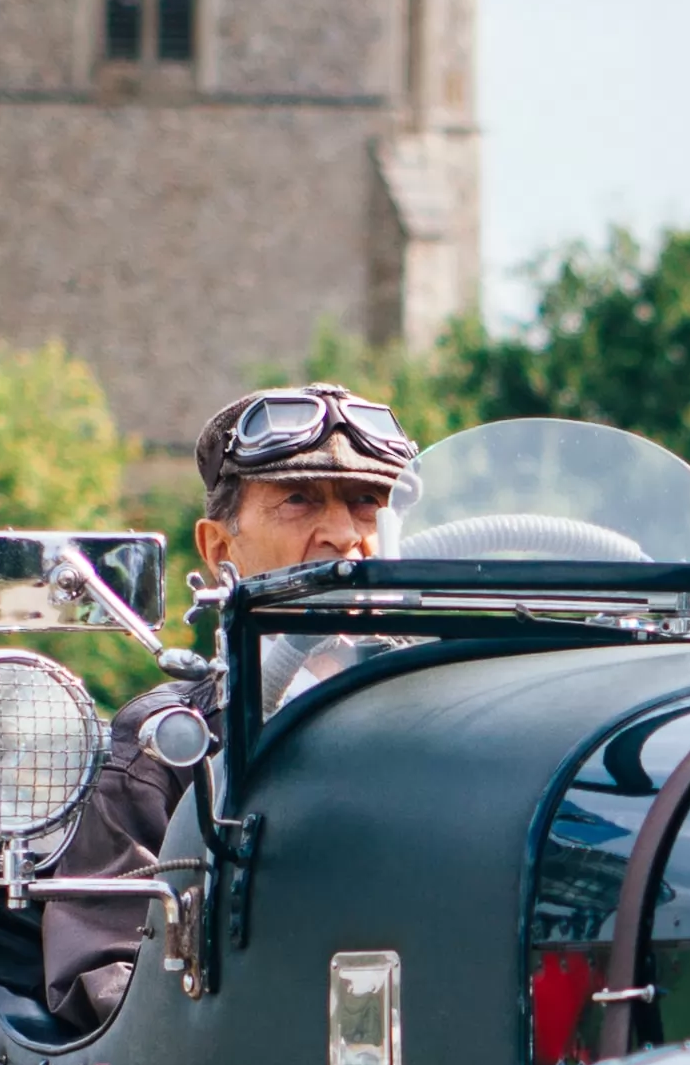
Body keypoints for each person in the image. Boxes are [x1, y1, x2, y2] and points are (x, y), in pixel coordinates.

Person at [37, 383, 419, 1028]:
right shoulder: (169, 745)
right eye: (299, 501)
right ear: (219, 549)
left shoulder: (454, 715)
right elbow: (99, 985)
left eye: (367, 502)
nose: (342, 534)